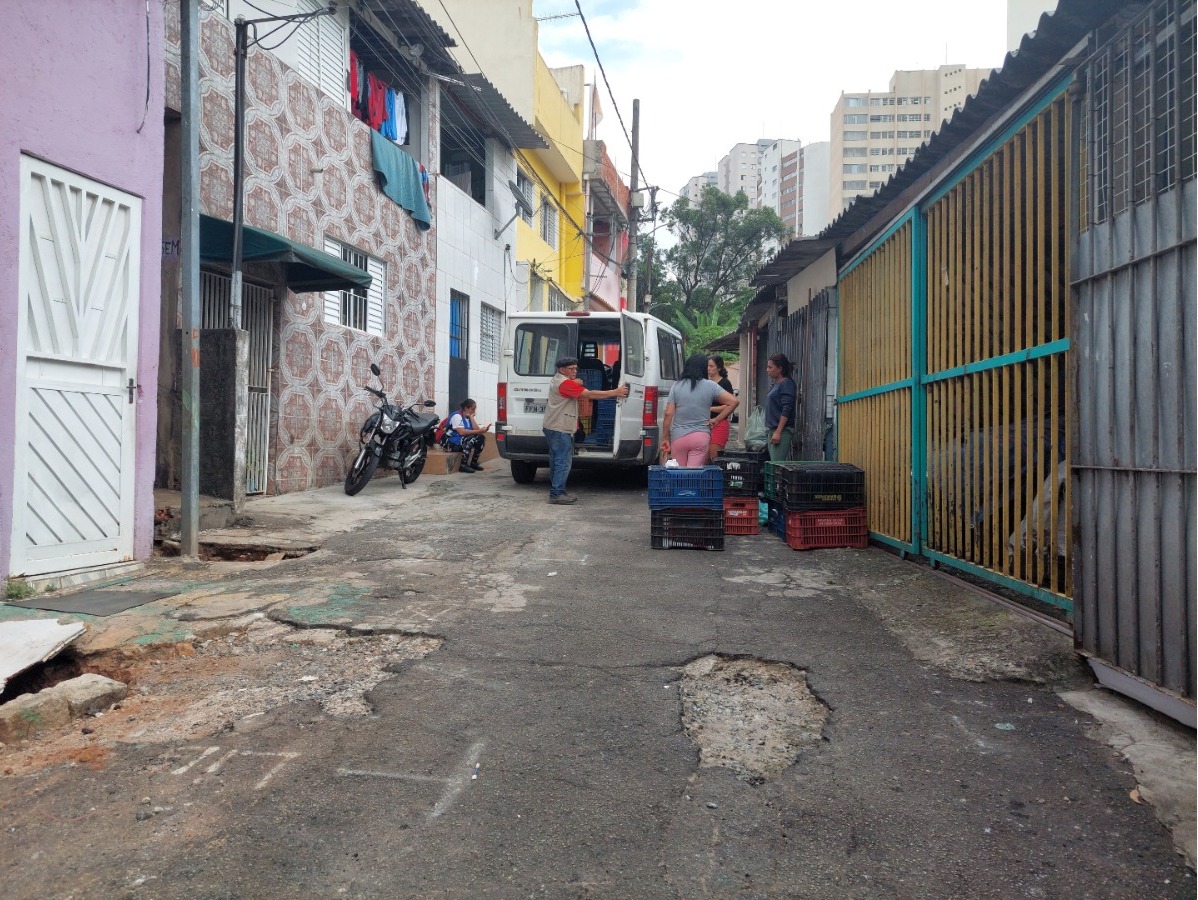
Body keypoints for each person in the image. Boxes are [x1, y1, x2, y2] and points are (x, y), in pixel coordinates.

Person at [543, 357, 630, 504]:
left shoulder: (558, 379)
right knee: (563, 462)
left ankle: (557, 490)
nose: (575, 371)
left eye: (576, 369)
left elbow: (578, 382)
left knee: (556, 460)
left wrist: (577, 381)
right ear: (562, 369)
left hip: (551, 425)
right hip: (560, 428)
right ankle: (557, 493)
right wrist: (615, 392)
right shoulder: (565, 384)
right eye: (571, 369)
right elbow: (590, 394)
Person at [661, 353, 739, 467]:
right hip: (700, 436)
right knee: (694, 475)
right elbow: (734, 402)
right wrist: (717, 419)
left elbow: (668, 414)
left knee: (678, 474)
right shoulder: (711, 385)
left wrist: (665, 437)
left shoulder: (676, 385)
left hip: (678, 437)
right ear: (703, 368)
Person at [764, 353, 797, 462]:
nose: (767, 370)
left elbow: (786, 409)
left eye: (770, 367)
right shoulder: (777, 384)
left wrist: (778, 432)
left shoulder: (786, 384)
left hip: (782, 430)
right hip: (773, 429)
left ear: (780, 369)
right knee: (773, 464)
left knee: (777, 465)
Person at [443, 399, 490, 473]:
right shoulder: (456, 416)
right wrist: (479, 431)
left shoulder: (468, 418)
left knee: (481, 438)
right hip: (451, 442)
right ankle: (463, 465)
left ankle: (473, 462)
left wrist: (472, 418)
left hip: (461, 441)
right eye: (472, 409)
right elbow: (461, 432)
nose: (474, 412)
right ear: (466, 408)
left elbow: (477, 430)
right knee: (470, 438)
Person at [706, 355, 736, 463]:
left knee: (714, 457)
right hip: (705, 423)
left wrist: (710, 408)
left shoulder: (725, 383)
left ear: (719, 368)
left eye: (711, 366)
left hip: (720, 423)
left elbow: (729, 406)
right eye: (707, 366)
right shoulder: (705, 383)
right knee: (703, 458)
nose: (708, 368)